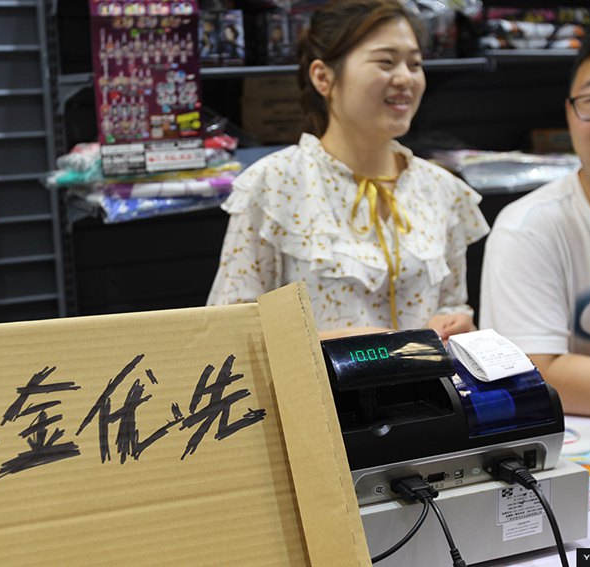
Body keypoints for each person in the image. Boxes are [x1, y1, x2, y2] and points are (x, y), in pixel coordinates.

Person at [207, 0, 489, 340]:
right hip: (320, 378)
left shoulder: (443, 188)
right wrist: (341, 345)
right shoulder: (273, 184)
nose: (406, 78)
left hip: (423, 377)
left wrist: (457, 327)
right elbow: (231, 334)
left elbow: (453, 305)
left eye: (415, 64)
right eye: (386, 62)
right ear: (323, 77)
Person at [479, 5, 590, 418]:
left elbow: (559, 377)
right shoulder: (529, 228)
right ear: (570, 114)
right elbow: (534, 379)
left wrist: (589, 382)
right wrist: (564, 378)